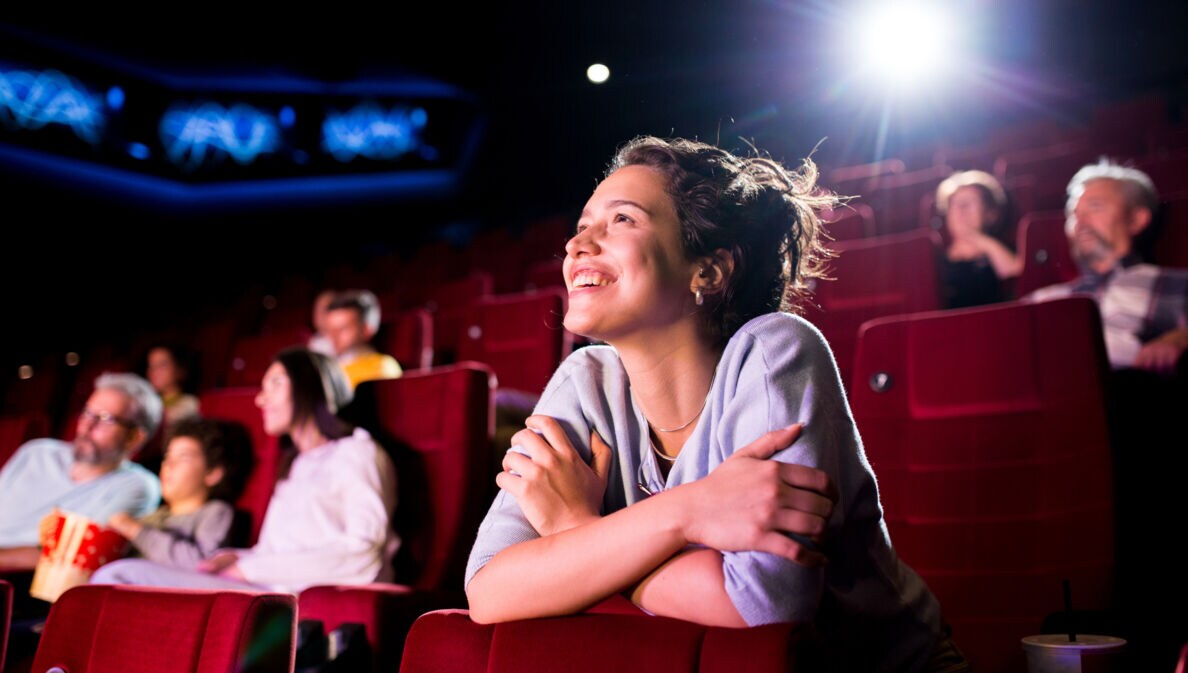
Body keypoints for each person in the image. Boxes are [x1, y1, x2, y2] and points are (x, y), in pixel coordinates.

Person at [464, 136, 966, 672]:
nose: (578, 245)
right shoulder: (585, 381)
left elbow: (766, 605)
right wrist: (689, 511)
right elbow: (490, 589)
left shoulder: (776, 351)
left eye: (622, 220)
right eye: (583, 224)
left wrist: (575, 535)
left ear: (708, 270)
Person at [89, 347, 399, 594]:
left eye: (275, 383)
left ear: (311, 385)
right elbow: (280, 552)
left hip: (297, 596)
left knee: (118, 576)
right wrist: (244, 558)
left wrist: (250, 569)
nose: (261, 399)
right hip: (267, 585)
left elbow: (362, 555)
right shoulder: (296, 464)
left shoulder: (356, 452)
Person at [1026, 159, 1188, 372]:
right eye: (1073, 213)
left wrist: (1180, 338)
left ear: (1137, 219)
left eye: (1095, 206)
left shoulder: (1176, 284)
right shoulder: (1044, 299)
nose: (1080, 221)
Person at [0, 372, 162, 570]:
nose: (88, 425)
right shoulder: (37, 452)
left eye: (105, 418)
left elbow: (74, 556)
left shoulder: (137, 485)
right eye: (87, 412)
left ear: (134, 437)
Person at [96, 416, 254, 571]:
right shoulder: (156, 515)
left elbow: (201, 564)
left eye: (183, 458)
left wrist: (135, 530)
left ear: (213, 473)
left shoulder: (216, 511)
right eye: (167, 457)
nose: (169, 465)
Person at [934, 169, 1020, 308]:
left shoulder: (1005, 250)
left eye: (969, 202)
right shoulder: (936, 262)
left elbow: (1016, 276)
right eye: (954, 203)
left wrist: (978, 239)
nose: (960, 210)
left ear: (991, 213)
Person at [323, 289, 403, 390]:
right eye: (330, 329)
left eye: (343, 329)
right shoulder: (327, 368)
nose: (333, 336)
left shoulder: (382, 367)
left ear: (366, 330)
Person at [307, 288, 338, 357]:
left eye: (324, 309)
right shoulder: (315, 341)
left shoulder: (344, 342)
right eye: (316, 309)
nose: (318, 315)